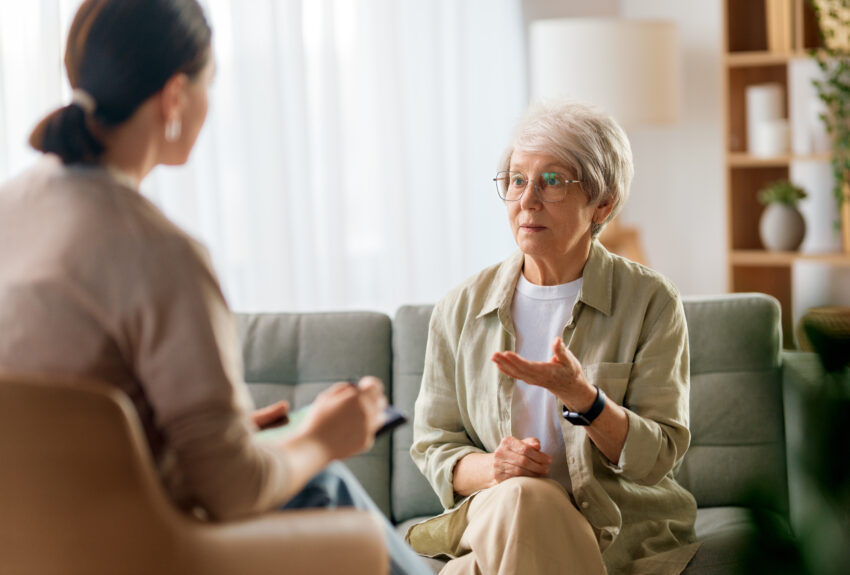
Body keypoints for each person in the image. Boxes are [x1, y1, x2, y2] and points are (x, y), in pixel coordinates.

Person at [0, 1, 429, 573]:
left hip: (38, 545)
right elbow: (234, 489)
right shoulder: (159, 253)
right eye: (211, 84)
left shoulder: (12, 209)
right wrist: (324, 437)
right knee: (322, 483)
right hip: (144, 550)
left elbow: (68, 433)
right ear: (175, 97)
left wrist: (201, 439)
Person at [408, 100, 700, 575]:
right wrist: (495, 469)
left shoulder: (650, 301)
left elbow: (658, 457)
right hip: (496, 512)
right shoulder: (460, 308)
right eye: (517, 180)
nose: (527, 200)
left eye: (552, 181)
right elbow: (434, 446)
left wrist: (584, 399)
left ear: (602, 204)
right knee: (523, 496)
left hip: (611, 526)